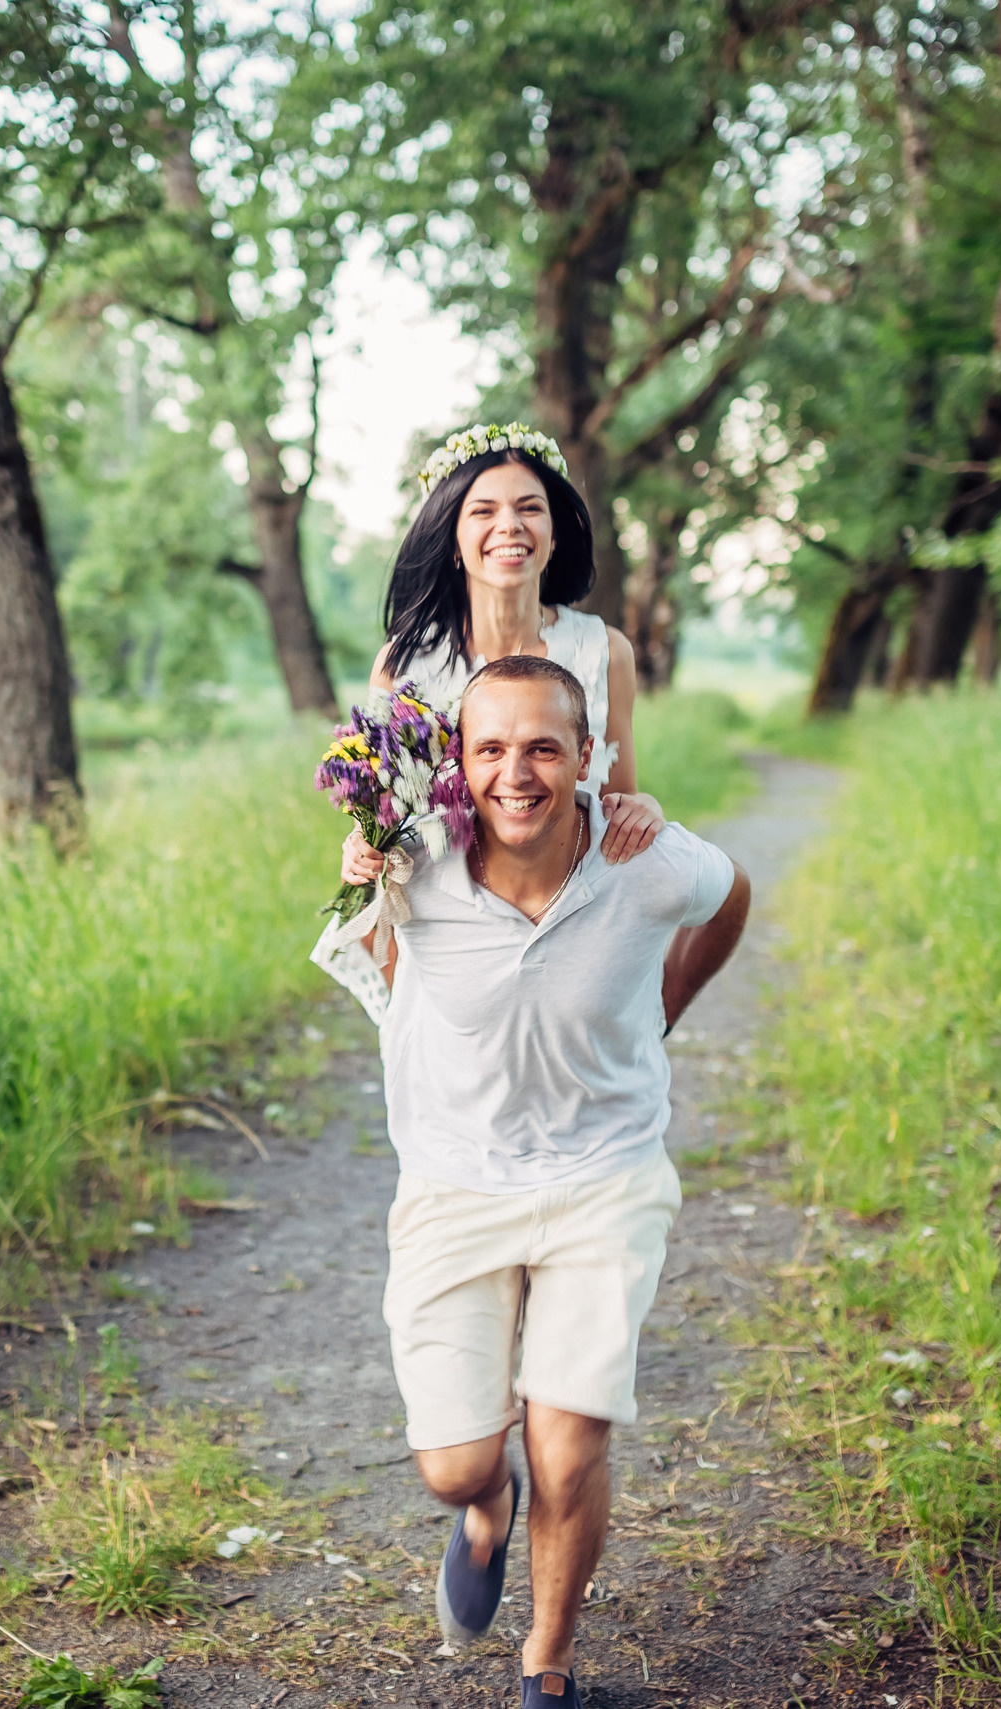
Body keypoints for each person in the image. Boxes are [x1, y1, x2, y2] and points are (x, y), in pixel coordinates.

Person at [367, 651, 750, 1708]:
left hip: (604, 1177)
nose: (516, 771)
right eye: (490, 747)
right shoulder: (418, 861)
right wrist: (367, 851)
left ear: (588, 756)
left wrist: (671, 994)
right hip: (455, 1186)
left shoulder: (644, 855)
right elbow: (371, 953)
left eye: (544, 746)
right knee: (453, 1462)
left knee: (567, 1434)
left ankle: (548, 1657)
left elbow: (729, 894)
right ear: (458, 761)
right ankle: (485, 1515)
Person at [319, 422, 693, 1027]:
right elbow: (381, 814)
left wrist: (641, 806)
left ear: (553, 534)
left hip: (572, 910)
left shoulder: (605, 651)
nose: (510, 526)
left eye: (530, 508)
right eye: (484, 510)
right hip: (449, 925)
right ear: (452, 536)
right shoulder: (404, 664)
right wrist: (362, 845)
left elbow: (617, 800)